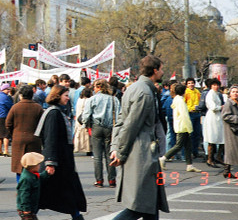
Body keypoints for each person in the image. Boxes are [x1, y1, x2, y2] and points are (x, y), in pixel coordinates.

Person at [110, 55, 170, 220]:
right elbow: (131, 125)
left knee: (150, 203)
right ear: (155, 70)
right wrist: (120, 152)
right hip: (142, 153)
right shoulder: (144, 92)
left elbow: (121, 121)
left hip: (143, 151)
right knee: (140, 206)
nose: (163, 71)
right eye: (162, 68)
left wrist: (116, 148)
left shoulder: (135, 88)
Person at [35, 85, 87, 220]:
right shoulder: (53, 113)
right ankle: (29, 214)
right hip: (58, 160)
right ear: (57, 96)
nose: (67, 98)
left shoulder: (57, 112)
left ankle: (76, 215)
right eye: (65, 95)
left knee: (66, 192)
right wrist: (51, 162)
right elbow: (50, 138)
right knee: (45, 193)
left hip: (62, 160)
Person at [82, 79, 119, 188]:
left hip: (96, 127)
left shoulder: (92, 99)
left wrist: (86, 125)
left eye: (94, 87)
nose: (93, 89)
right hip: (110, 128)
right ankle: (112, 180)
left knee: (97, 156)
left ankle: (99, 180)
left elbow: (86, 115)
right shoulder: (114, 99)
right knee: (110, 154)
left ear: (98, 87)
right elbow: (118, 115)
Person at [159, 84, 201, 173]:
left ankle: (189, 165)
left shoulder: (177, 99)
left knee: (187, 146)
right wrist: (189, 128)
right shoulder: (180, 101)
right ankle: (163, 158)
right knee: (179, 145)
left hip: (181, 125)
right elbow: (184, 115)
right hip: (183, 126)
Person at [6, 85, 44, 181]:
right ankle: (34, 185)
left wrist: (14, 134)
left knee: (19, 166)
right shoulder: (38, 107)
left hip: (18, 139)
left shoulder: (15, 107)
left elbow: (8, 124)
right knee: (33, 164)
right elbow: (42, 125)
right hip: (34, 139)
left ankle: (21, 185)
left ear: (20, 95)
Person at [221, 85, 238, 179]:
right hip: (232, 130)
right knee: (236, 150)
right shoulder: (228, 104)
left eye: (237, 92)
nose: (235, 93)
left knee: (233, 151)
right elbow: (225, 116)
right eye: (233, 92)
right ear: (229, 94)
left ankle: (227, 171)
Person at [17, 152, 49, 220]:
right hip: (26, 209)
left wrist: (46, 173)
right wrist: (26, 209)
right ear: (33, 166)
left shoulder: (32, 174)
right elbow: (24, 195)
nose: (40, 166)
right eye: (38, 164)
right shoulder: (26, 179)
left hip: (31, 207)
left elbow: (39, 178)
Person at [203, 78, 224, 168]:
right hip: (212, 117)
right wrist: (221, 107)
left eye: (217, 85)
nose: (216, 87)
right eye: (214, 85)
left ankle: (218, 157)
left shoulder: (216, 94)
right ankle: (210, 159)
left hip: (218, 117)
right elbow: (213, 107)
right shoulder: (210, 94)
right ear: (211, 86)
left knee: (221, 138)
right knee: (212, 138)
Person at [184, 77, 202, 159]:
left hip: (197, 114)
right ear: (186, 85)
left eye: (192, 83)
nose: (191, 84)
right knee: (190, 135)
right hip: (189, 114)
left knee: (197, 134)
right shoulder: (185, 92)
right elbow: (183, 104)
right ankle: (189, 152)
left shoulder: (197, 92)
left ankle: (195, 152)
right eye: (189, 83)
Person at [0, 83, 14, 156]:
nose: (9, 91)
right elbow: (10, 106)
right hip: (4, 116)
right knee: (6, 134)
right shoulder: (5, 97)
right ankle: (6, 151)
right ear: (4, 89)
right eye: (7, 89)